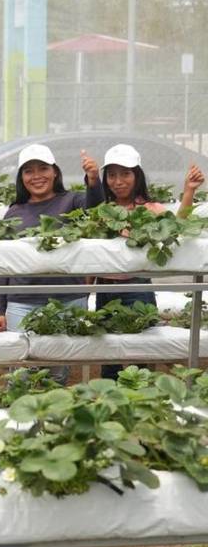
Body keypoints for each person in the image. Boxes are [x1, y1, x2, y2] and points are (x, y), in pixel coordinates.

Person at [0, 143, 104, 384]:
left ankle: (52, 420)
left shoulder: (73, 202)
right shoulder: (14, 213)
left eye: (43, 168)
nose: (37, 176)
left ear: (55, 172)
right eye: (29, 171)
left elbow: (97, 210)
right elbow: (4, 264)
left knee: (57, 372)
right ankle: (21, 420)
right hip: (21, 302)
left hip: (67, 300)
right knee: (20, 371)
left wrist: (93, 180)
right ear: (21, 178)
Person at [95, 143, 204, 378]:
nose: (118, 181)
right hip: (104, 287)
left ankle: (141, 401)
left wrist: (188, 191)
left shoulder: (150, 208)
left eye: (125, 173)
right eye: (112, 175)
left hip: (138, 287)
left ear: (137, 175)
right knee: (106, 352)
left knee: (142, 350)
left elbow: (175, 228)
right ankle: (110, 403)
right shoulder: (101, 210)